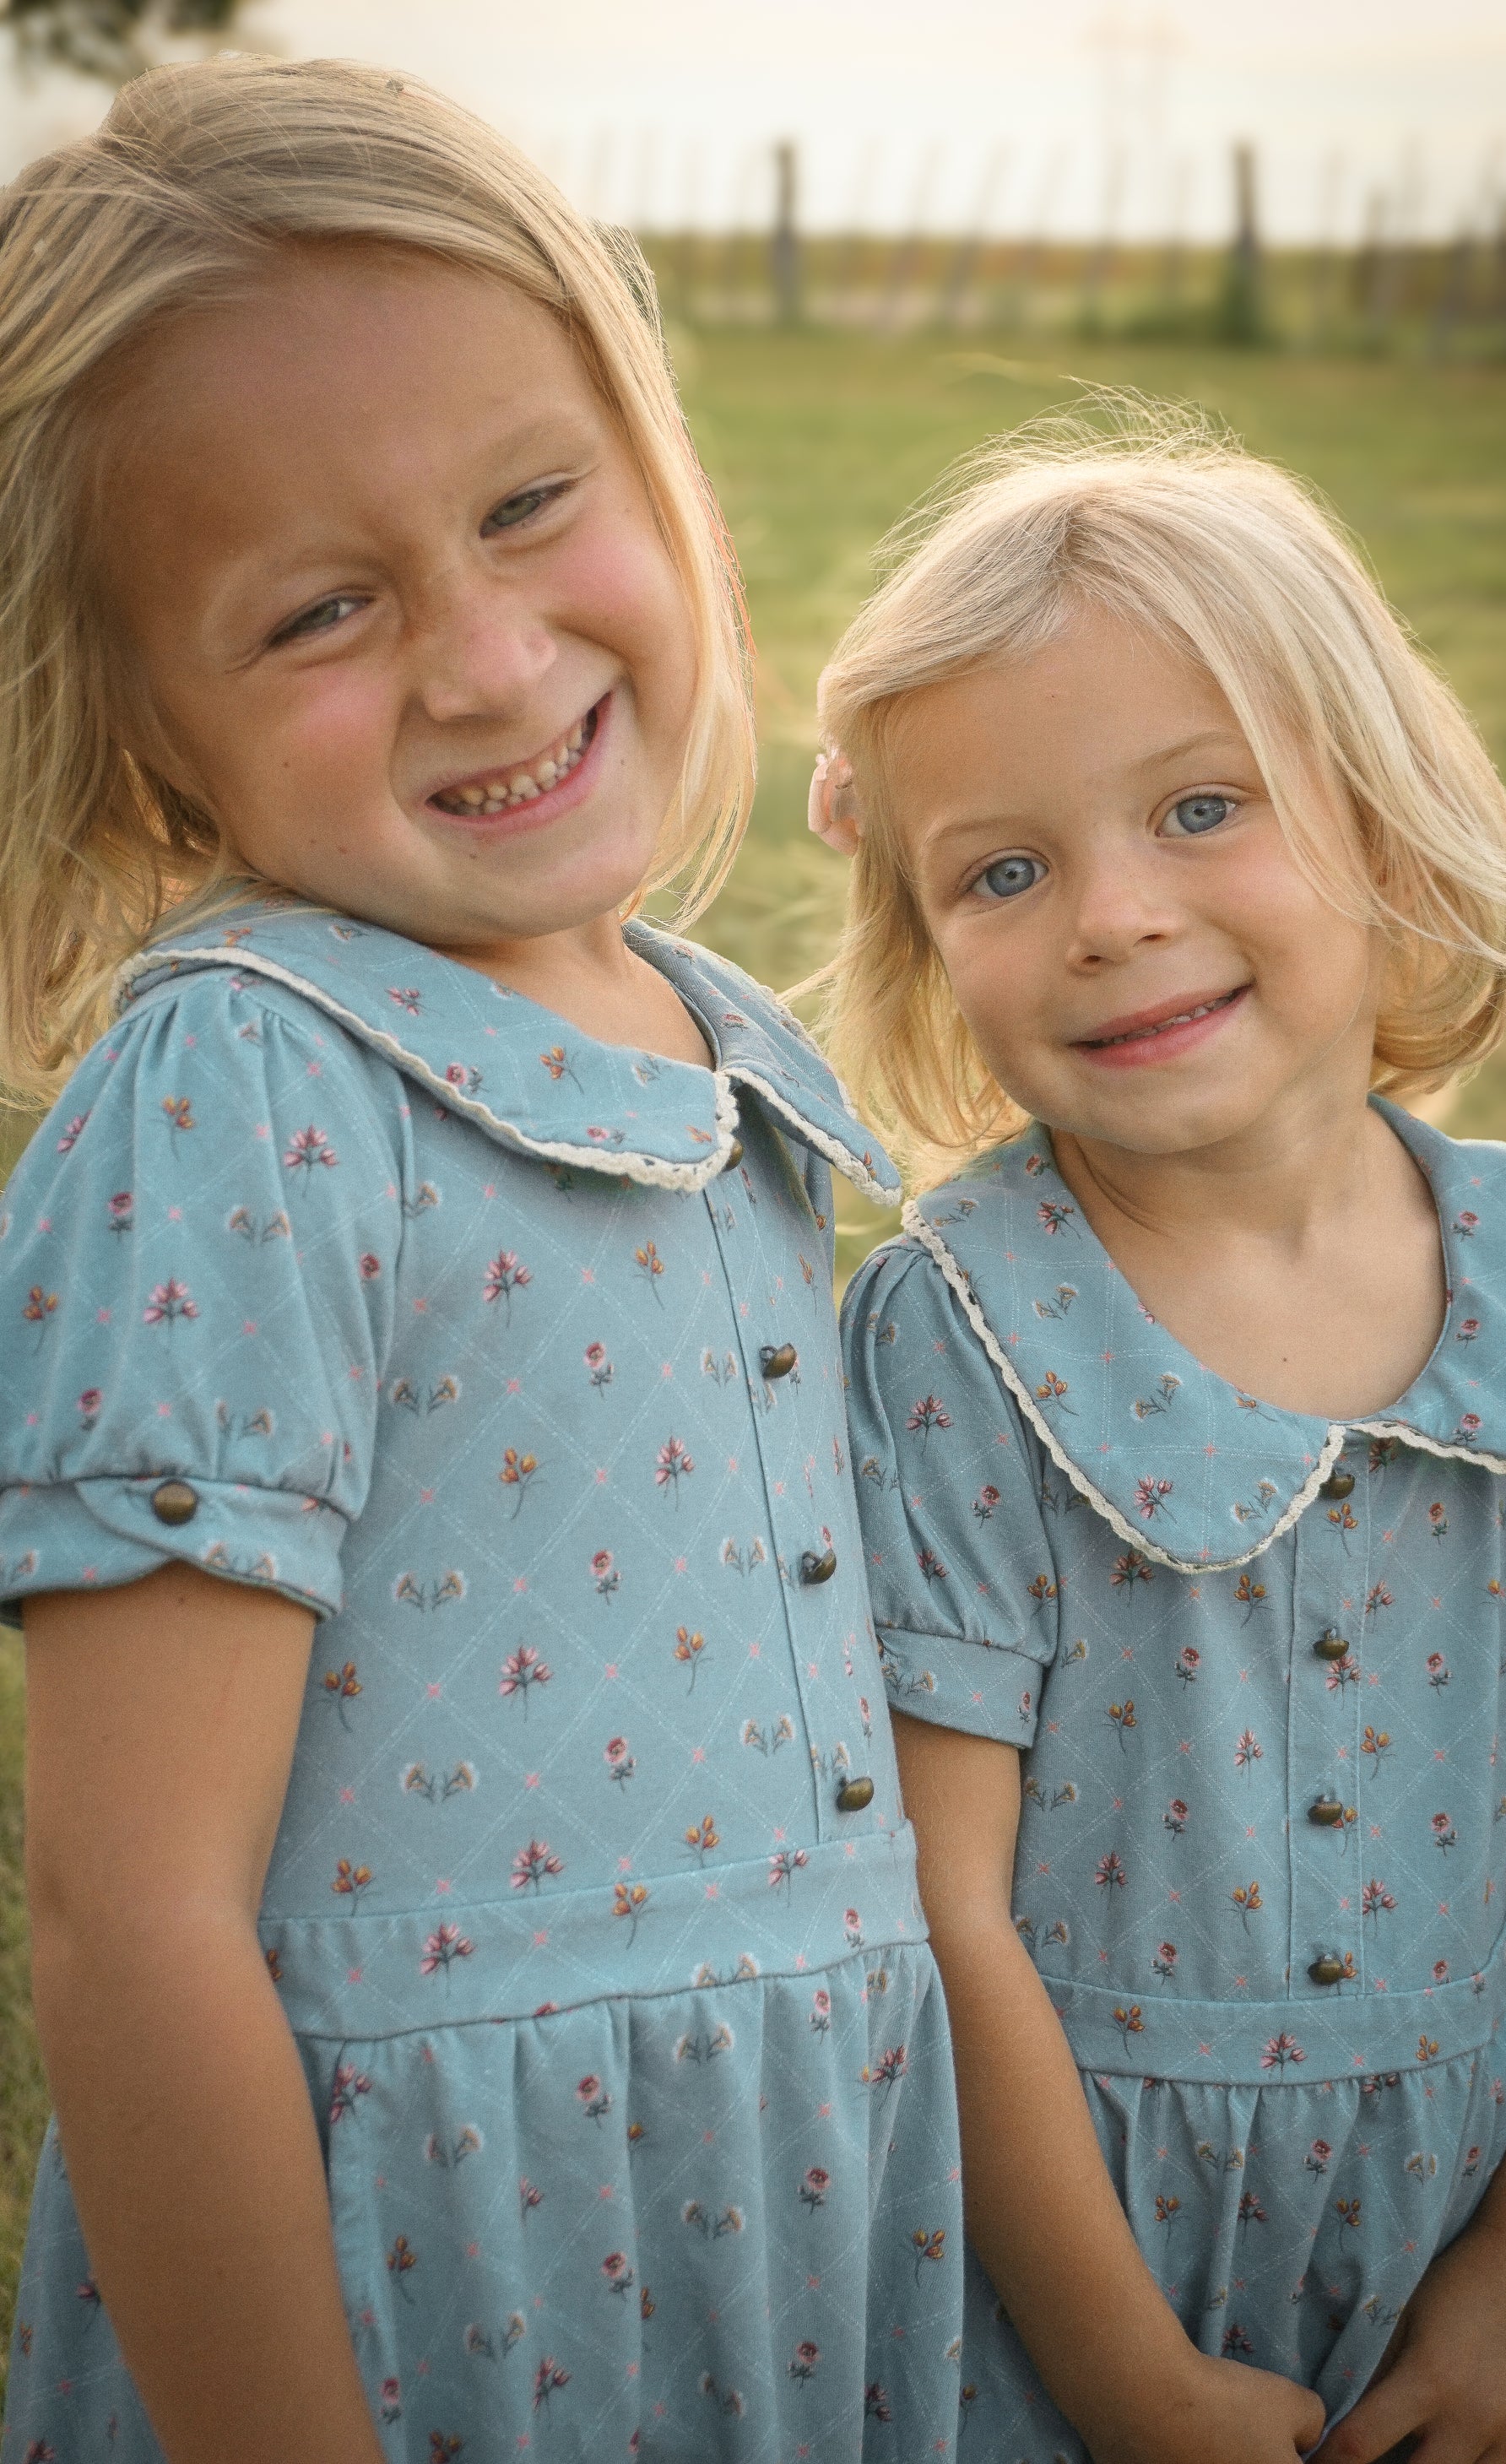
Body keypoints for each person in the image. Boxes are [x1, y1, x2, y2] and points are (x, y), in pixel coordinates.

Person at [0, 57, 962, 2462]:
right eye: (322, 610)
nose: (488, 657)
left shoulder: (714, 1050)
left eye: (533, 505)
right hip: (420, 2284)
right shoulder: (249, 1095)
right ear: (149, 746)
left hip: (789, 2194)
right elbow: (132, 1925)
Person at [811, 412, 1506, 2464]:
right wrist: (1117, 2366)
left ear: (1380, 819)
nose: (1107, 914)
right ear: (931, 950)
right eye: (999, 869)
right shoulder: (960, 1327)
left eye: (1200, 805)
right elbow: (944, 1898)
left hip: (1454, 2203)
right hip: (1053, 2237)